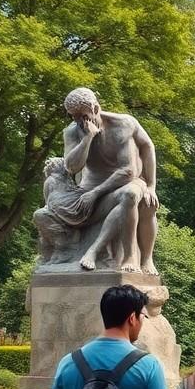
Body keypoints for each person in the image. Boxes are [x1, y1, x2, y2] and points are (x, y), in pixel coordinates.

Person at [60, 87, 160, 274]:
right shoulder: (72, 132)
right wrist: (87, 138)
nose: (78, 121)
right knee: (50, 211)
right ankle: (67, 258)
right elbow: (72, 167)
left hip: (127, 183)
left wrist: (152, 185)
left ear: (96, 109)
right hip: (89, 189)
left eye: (83, 115)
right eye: (72, 116)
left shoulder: (123, 124)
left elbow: (130, 168)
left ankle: (139, 258)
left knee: (139, 198)